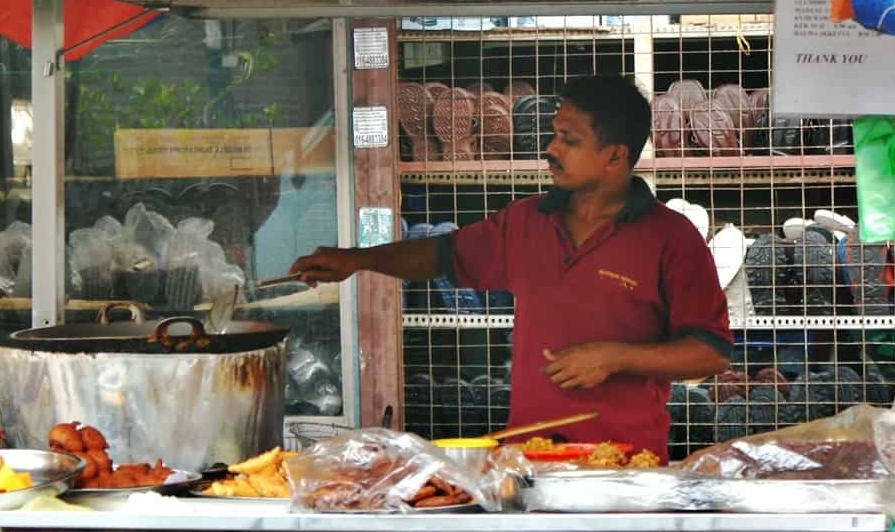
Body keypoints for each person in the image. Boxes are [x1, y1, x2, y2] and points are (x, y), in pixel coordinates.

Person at [289, 75, 731, 461]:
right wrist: (358, 260)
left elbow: (710, 351)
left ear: (615, 157)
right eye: (554, 134)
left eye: (569, 140)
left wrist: (614, 357)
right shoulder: (525, 223)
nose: (550, 149)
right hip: (528, 460)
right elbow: (444, 254)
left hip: (622, 464)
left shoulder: (670, 238)